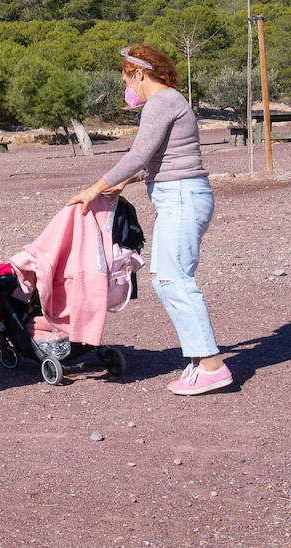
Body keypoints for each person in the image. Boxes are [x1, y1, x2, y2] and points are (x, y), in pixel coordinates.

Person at [69, 44, 231, 396]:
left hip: (183, 197)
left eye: (126, 78)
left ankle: (212, 366)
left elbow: (140, 154)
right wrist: (121, 184)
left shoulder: (162, 102)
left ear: (138, 73)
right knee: (165, 280)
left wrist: (96, 188)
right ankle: (200, 361)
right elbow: (159, 159)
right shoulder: (171, 101)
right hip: (179, 196)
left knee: (175, 280)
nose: (128, 88)